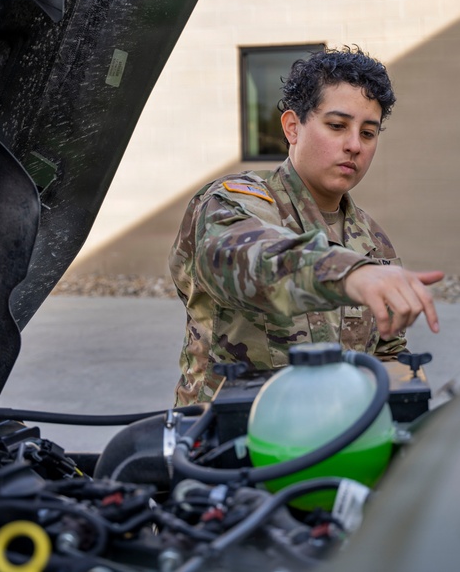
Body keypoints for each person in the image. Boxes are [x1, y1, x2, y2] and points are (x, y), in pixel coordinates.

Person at [170, 46, 443, 405]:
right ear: (293, 127)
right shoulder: (235, 202)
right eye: (337, 126)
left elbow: (385, 355)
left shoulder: (373, 241)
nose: (353, 146)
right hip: (228, 446)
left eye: (368, 133)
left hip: (333, 443)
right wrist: (349, 274)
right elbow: (246, 258)